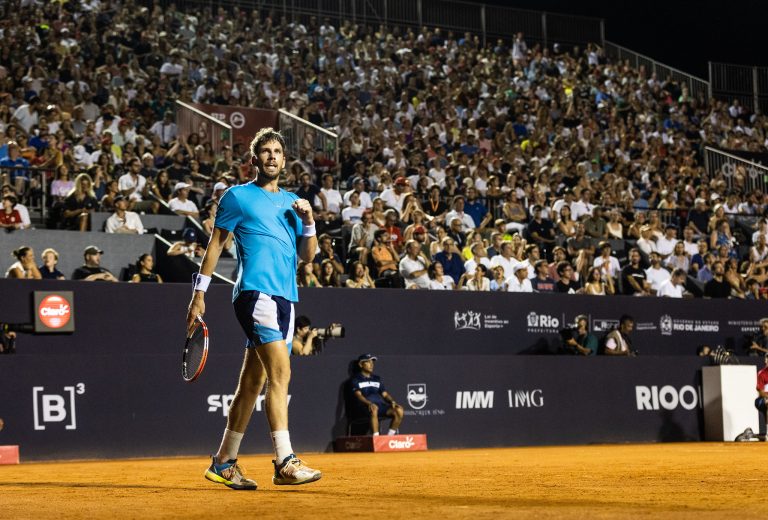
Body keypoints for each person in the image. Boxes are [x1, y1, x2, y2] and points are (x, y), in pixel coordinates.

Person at [186, 128, 321, 490]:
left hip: (286, 298)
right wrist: (199, 294)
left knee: (252, 383)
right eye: (266, 152)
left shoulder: (294, 203)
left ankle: (224, 462)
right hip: (254, 293)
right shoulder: (238, 197)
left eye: (278, 151)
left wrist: (309, 220)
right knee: (281, 373)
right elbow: (215, 244)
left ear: (284, 159)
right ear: (255, 159)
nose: (272, 157)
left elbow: (307, 257)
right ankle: (285, 461)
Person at [350, 354, 404, 436]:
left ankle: (389, 437)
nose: (371, 364)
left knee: (399, 410)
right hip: (364, 408)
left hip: (380, 407)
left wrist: (392, 401)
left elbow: (385, 394)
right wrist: (369, 404)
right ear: (361, 364)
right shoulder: (356, 379)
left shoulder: (377, 378)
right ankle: (376, 438)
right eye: (368, 362)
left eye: (372, 362)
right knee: (374, 408)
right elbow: (358, 395)